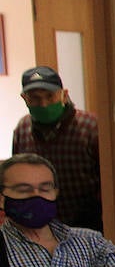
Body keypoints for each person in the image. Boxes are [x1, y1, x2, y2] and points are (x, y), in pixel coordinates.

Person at [13, 66, 102, 231]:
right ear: (25, 99)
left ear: (64, 94)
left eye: (49, 96)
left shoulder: (90, 126)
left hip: (88, 227)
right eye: (35, 98)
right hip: (40, 228)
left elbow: (108, 182)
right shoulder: (22, 129)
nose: (44, 104)